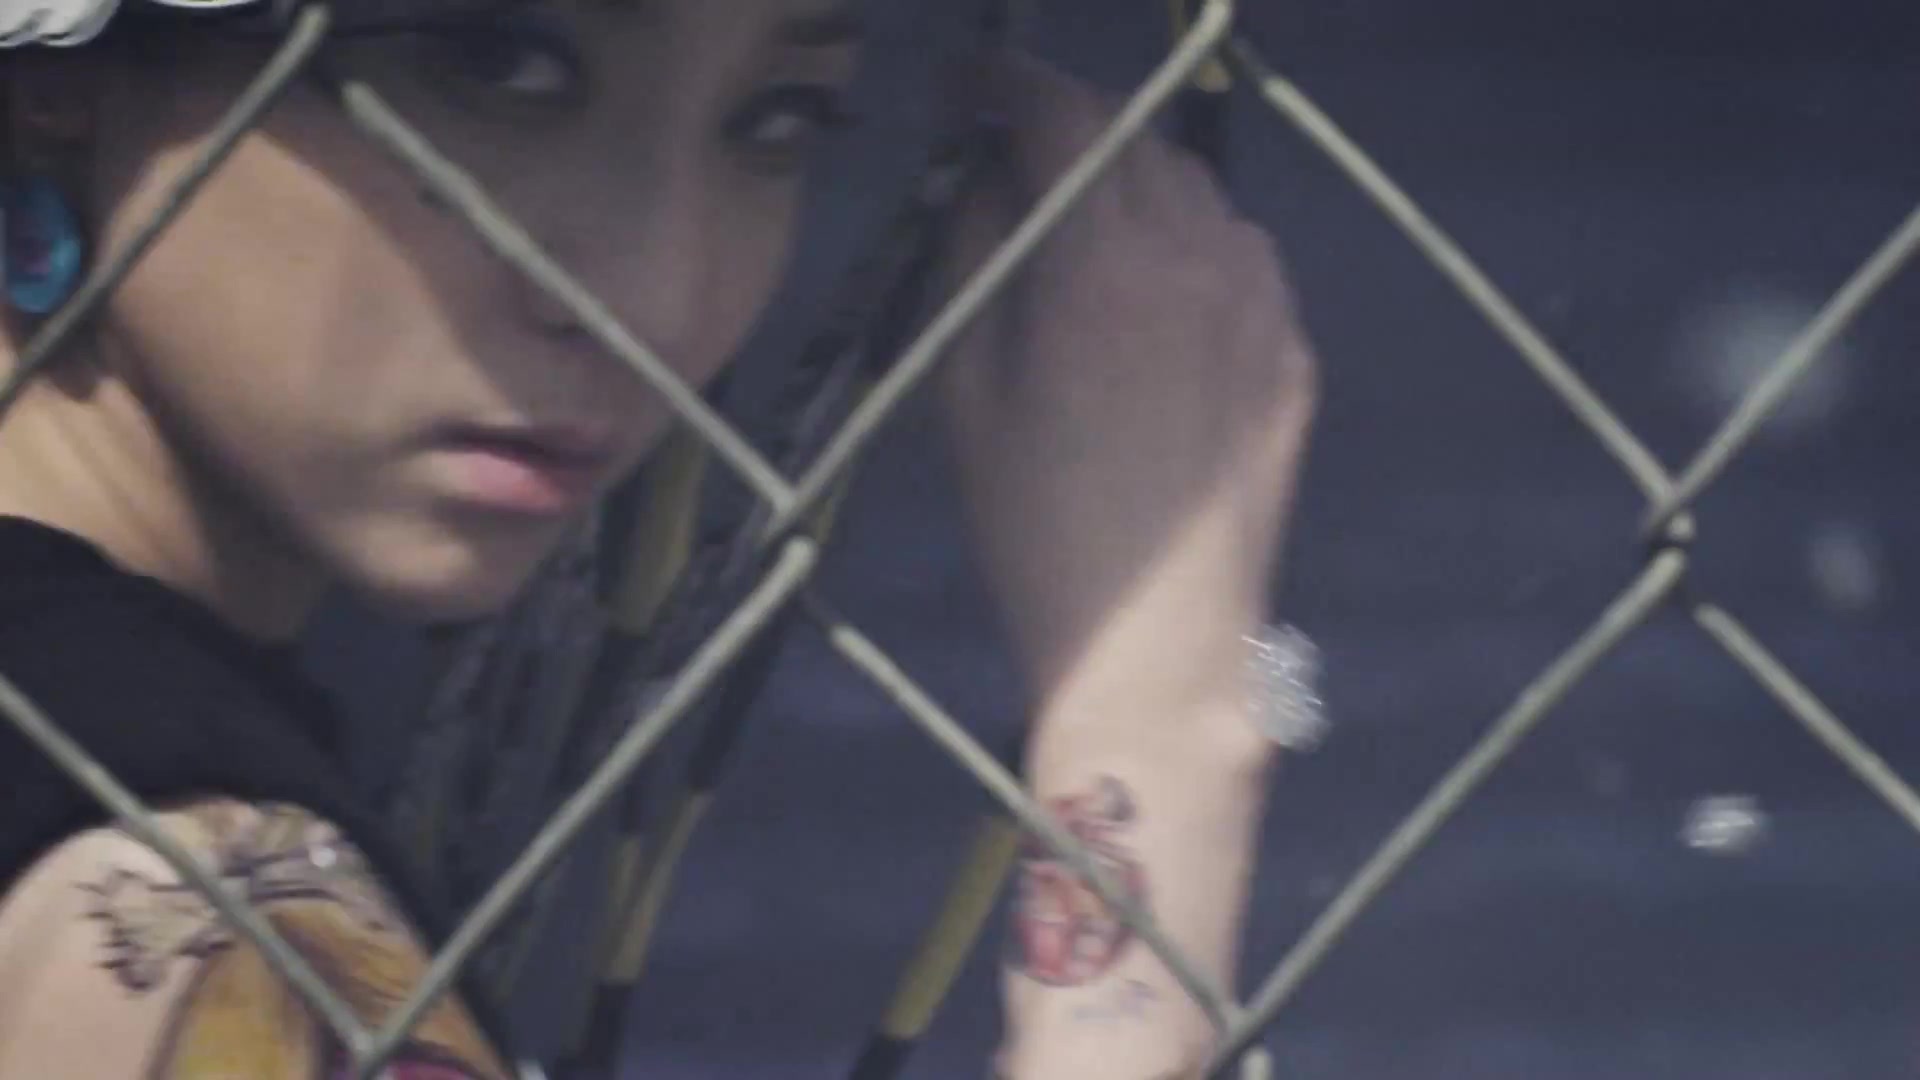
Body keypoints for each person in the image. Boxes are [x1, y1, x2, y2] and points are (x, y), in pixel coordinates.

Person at [0, 1, 1319, 1077]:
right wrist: (1158, 715)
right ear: (57, 70)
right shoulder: (209, 924)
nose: (652, 290)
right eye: (494, 62)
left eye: (778, 118)